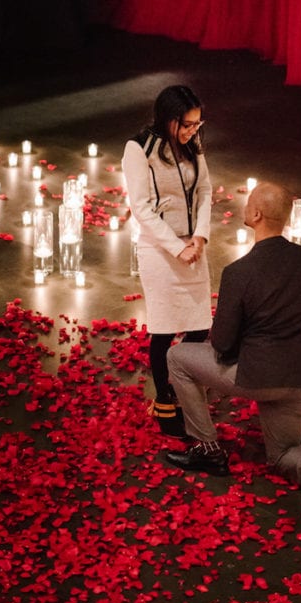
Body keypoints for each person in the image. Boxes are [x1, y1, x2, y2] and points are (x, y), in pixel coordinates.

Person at [165, 181, 301, 517]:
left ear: (255, 214)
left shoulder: (239, 272)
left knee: (177, 357)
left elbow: (224, 344)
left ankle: (207, 447)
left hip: (258, 376)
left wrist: (254, 342)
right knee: (283, 454)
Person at [122, 84, 212, 437]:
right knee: (162, 332)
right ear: (169, 119)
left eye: (197, 124)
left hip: (194, 246)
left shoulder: (193, 145)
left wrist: (200, 236)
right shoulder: (139, 148)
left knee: (198, 326)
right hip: (159, 250)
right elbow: (141, 208)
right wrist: (177, 247)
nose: (193, 131)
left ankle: (183, 385)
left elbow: (204, 189)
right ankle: (164, 400)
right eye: (187, 124)